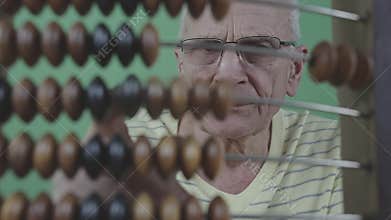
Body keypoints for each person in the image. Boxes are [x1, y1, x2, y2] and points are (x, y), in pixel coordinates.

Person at [52, 0, 343, 216]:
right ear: (181, 65)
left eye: (258, 48)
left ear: (294, 71)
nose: (229, 73)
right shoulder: (125, 151)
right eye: (206, 48)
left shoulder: (341, 155)